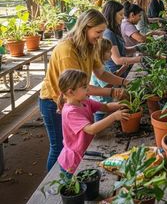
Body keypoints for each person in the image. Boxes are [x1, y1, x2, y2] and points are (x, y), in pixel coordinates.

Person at [39, 9, 128, 171]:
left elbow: (101, 73)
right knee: (60, 148)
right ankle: (50, 191)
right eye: (98, 32)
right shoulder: (67, 50)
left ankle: (68, 180)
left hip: (77, 100)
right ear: (85, 28)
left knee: (74, 147)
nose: (100, 37)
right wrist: (113, 92)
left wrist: (124, 82)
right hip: (53, 102)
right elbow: (79, 88)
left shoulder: (90, 44)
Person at [57, 69, 130, 174]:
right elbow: (91, 129)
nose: (87, 89)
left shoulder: (84, 101)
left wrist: (122, 104)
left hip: (85, 153)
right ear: (71, 92)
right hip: (73, 163)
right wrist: (114, 116)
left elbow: (105, 107)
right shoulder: (70, 112)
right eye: (84, 87)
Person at [90, 39, 128, 122]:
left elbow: (110, 78)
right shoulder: (99, 68)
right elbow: (107, 85)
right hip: (101, 106)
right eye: (108, 51)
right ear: (100, 53)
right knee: (101, 125)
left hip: (106, 102)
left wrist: (121, 70)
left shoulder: (103, 65)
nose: (111, 53)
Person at [102, 0, 141, 74]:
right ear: (112, 15)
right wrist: (139, 59)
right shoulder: (108, 33)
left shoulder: (115, 29)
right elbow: (118, 60)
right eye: (120, 14)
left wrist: (137, 48)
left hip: (122, 70)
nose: (123, 17)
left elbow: (122, 50)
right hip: (114, 73)